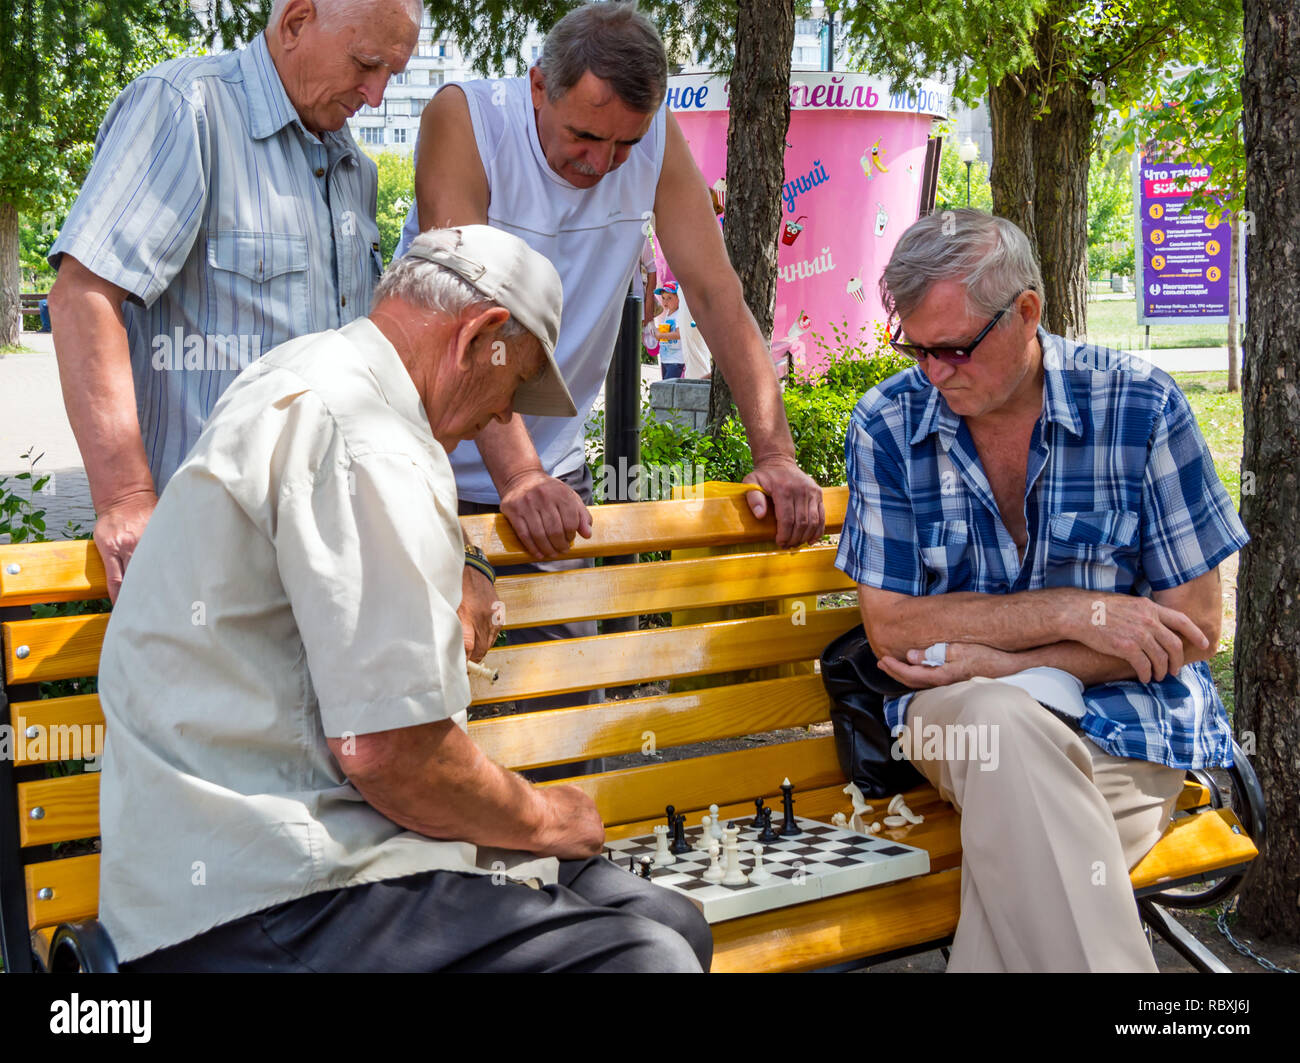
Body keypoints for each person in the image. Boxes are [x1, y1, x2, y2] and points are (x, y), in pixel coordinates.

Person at [98, 226, 713, 974]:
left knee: (667, 915)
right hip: (259, 895)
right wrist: (547, 815)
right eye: (514, 385)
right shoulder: (369, 438)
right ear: (480, 336)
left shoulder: (321, 377)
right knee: (642, 959)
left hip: (308, 851)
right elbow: (391, 754)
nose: (500, 417)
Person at [836, 209, 1249, 972]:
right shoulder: (887, 423)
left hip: (1125, 727)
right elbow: (894, 628)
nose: (933, 372)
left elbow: (1193, 626)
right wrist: (1079, 614)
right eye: (916, 349)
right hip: (952, 718)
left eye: (954, 348)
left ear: (1026, 311)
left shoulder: (1142, 405)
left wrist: (1003, 659)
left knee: (1025, 884)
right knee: (998, 719)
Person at [395, 2, 824, 720]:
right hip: (423, 463)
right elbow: (466, 309)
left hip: (550, 476)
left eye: (624, 145)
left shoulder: (654, 140)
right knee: (427, 706)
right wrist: (519, 474)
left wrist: (775, 452)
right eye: (584, 135)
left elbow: (717, 294)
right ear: (539, 87)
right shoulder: (465, 118)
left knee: (564, 713)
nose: (600, 162)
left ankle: (557, 832)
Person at [46, 0, 423, 603]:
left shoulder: (355, 167)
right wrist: (125, 498)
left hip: (323, 564)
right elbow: (82, 297)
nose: (375, 95)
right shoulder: (185, 107)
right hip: (204, 560)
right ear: (297, 21)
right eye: (366, 63)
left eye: (391, 75)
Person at [655, 281, 686, 380]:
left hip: (676, 360)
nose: (665, 302)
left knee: (668, 387)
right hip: (666, 359)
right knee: (666, 386)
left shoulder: (679, 314)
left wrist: (660, 336)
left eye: (669, 298)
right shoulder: (668, 314)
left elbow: (679, 334)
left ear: (679, 298)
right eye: (663, 298)